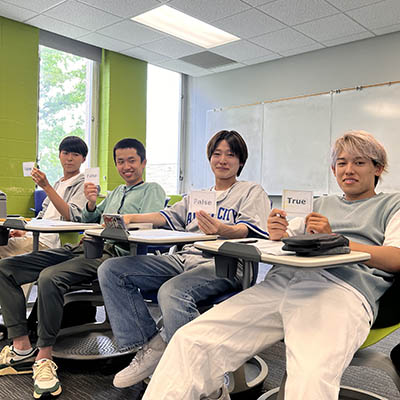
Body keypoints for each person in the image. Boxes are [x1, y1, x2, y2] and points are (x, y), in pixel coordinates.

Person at [141, 130, 400, 400]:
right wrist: (278, 231)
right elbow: (287, 237)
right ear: (333, 168)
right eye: (342, 163)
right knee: (191, 340)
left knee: (309, 378)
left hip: (341, 290)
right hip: (282, 282)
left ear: (378, 168)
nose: (349, 170)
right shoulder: (321, 204)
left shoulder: (392, 204)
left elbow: (396, 257)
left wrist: (337, 240)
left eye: (359, 162)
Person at [97, 130, 271, 390]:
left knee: (172, 293)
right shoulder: (198, 195)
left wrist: (221, 229)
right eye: (217, 154)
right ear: (209, 158)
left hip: (227, 264)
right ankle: (151, 348)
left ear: (240, 161)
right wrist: (132, 219)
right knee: (111, 270)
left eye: (230, 155)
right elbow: (166, 216)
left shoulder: (250, 191)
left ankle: (204, 375)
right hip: (184, 259)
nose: (223, 160)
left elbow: (248, 230)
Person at [0, 138, 165, 399]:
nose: (126, 166)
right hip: (84, 247)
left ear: (143, 162)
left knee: (50, 278)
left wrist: (124, 222)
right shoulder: (115, 193)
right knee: (6, 268)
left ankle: (44, 356)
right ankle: (21, 347)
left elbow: (155, 220)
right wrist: (90, 203)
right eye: (120, 162)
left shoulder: (151, 189)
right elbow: (86, 219)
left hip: (114, 254)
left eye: (132, 160)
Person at [0, 136, 88, 258]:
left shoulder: (85, 184)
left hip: (50, 243)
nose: (69, 158)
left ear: (83, 159)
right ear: (59, 155)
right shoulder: (58, 183)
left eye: (75, 155)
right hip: (35, 236)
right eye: (65, 153)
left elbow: (71, 215)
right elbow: (43, 215)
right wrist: (25, 231)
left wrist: (46, 186)